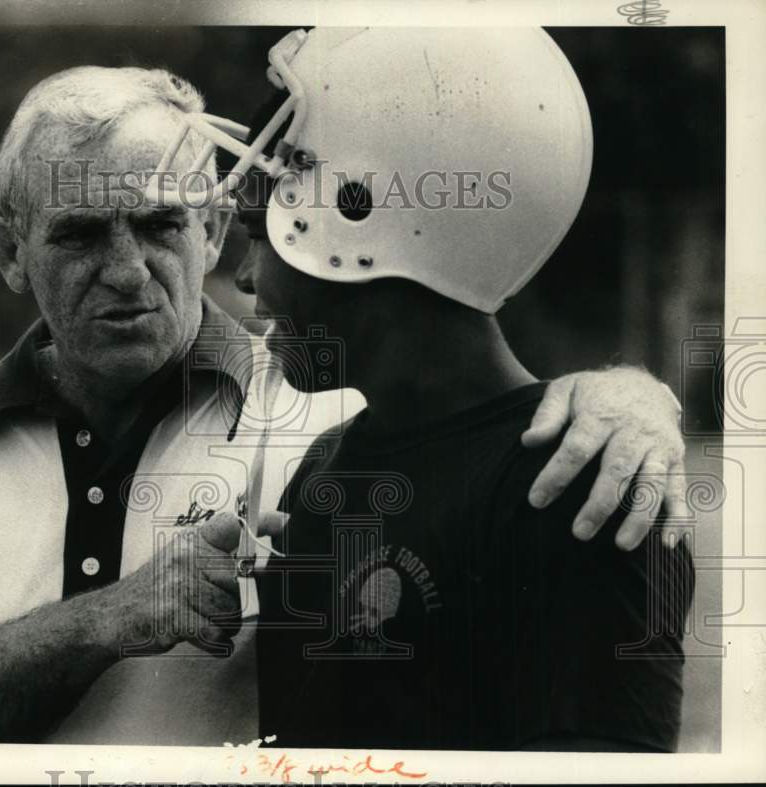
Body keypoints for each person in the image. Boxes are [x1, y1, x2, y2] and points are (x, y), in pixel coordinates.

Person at [0, 56, 686, 744]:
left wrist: (631, 398)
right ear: (9, 252)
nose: (129, 272)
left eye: (163, 225)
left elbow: (469, 406)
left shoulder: (326, 411)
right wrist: (110, 618)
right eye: (80, 233)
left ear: (212, 230)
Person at [168, 27, 694, 750]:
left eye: (262, 231)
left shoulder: (579, 486)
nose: (249, 277)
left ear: (361, 211)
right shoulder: (325, 468)